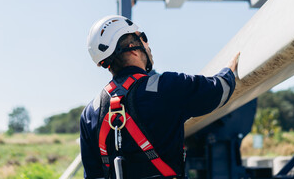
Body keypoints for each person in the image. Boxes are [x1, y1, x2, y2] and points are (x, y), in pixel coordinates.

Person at [80, 15, 239, 179]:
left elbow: (93, 175)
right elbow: (218, 91)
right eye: (143, 38)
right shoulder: (167, 87)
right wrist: (228, 71)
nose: (148, 45)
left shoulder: (90, 113)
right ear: (133, 47)